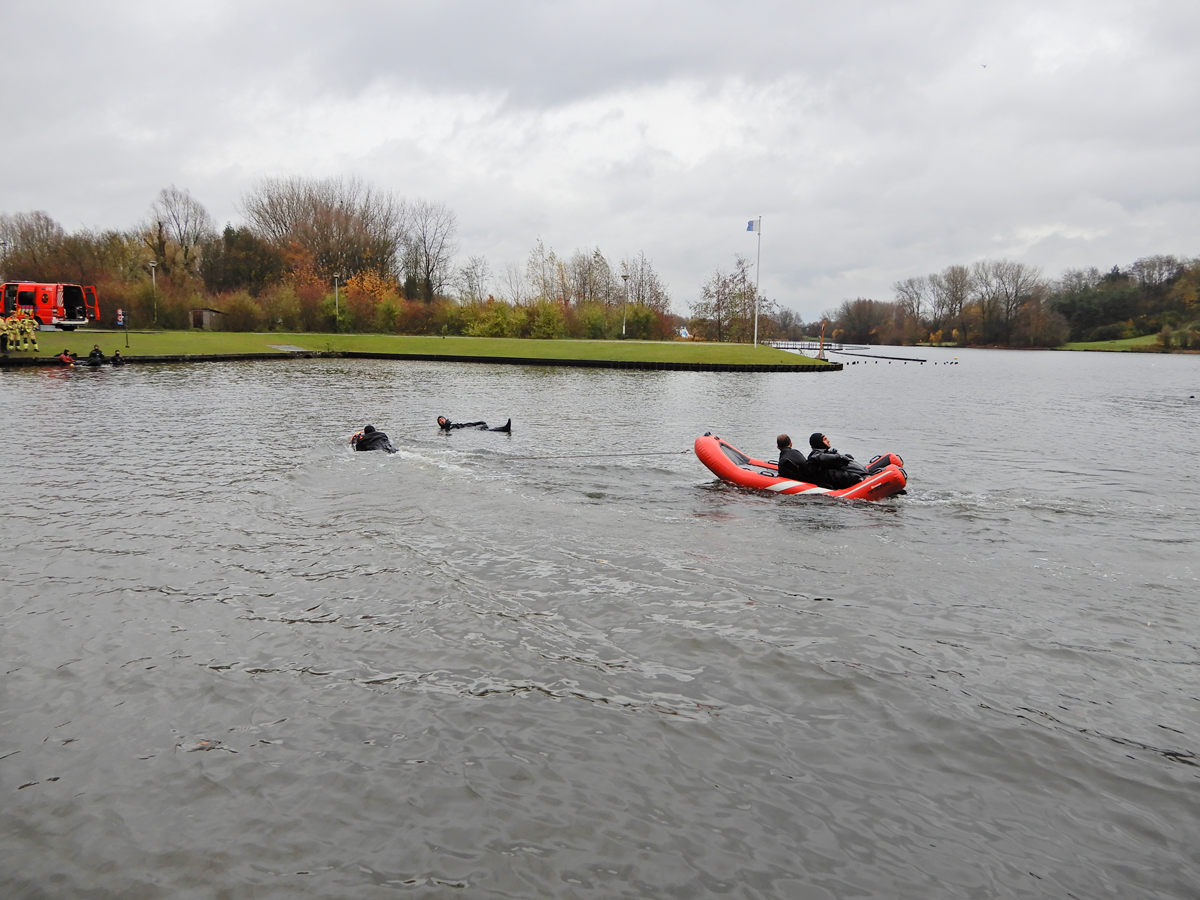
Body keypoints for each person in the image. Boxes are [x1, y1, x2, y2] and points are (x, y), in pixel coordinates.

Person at [807, 433, 890, 489]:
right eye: (825, 439)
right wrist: (839, 457)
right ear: (819, 442)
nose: (828, 440)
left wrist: (843, 456)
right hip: (855, 478)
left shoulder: (827, 453)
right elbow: (818, 458)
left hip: (862, 473)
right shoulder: (816, 456)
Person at [437, 416, 511, 433]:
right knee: (486, 430)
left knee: (484, 426)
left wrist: (477, 422)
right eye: (440, 421)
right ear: (440, 424)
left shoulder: (452, 424)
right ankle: (504, 429)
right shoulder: (444, 429)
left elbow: (466, 425)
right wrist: (446, 427)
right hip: (471, 432)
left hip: (468, 428)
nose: (442, 420)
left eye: (442, 419)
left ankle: (504, 429)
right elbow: (448, 434)